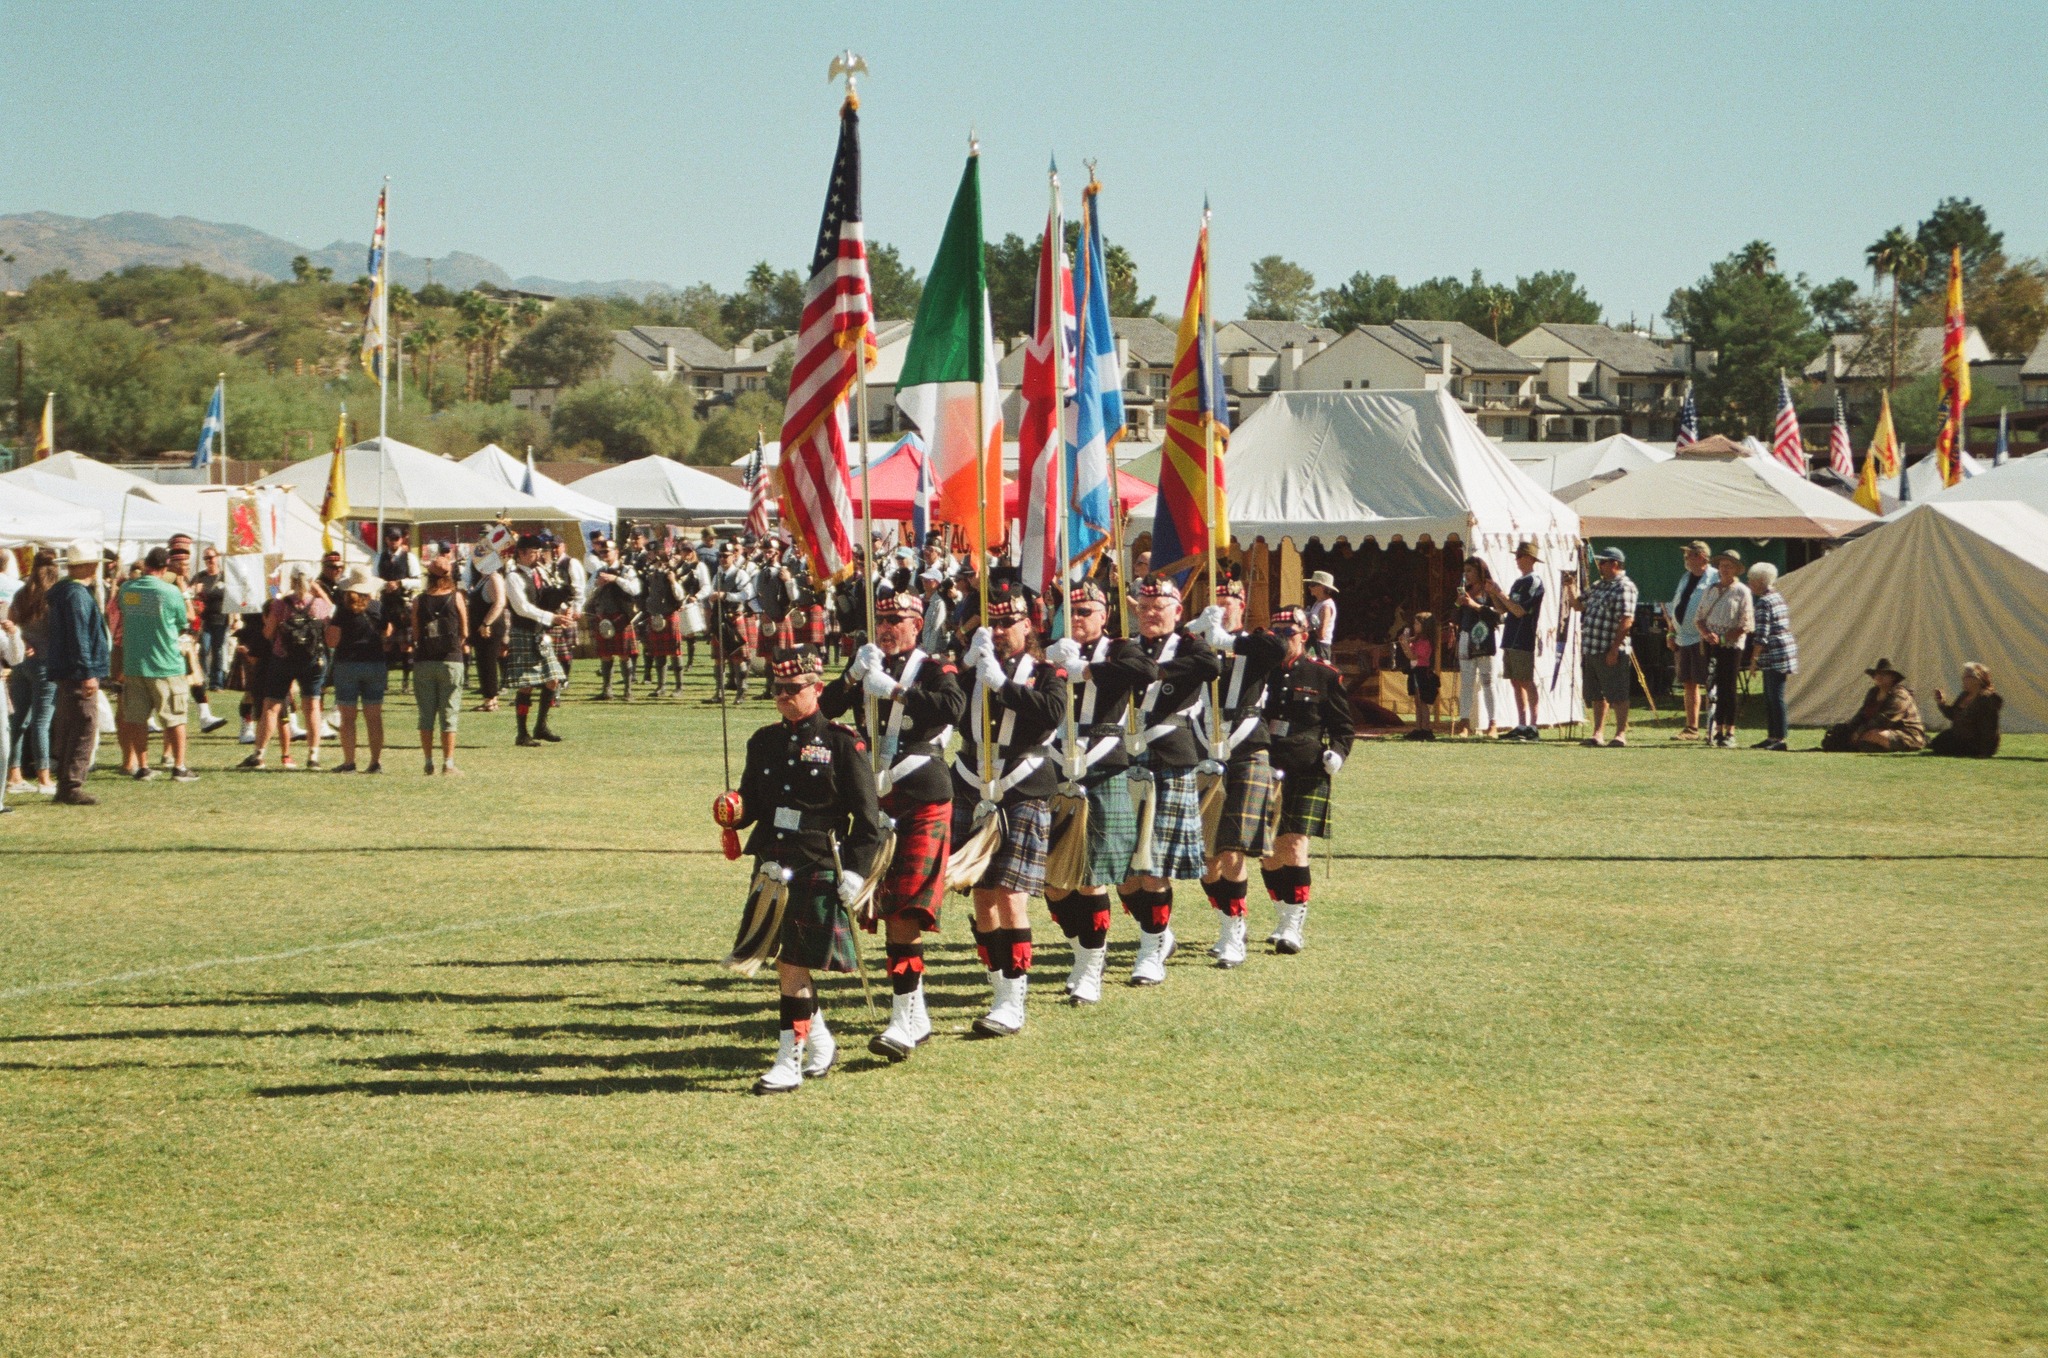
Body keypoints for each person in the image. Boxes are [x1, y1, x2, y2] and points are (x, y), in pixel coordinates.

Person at [724, 645, 888, 1095]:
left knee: (792, 964)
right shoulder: (763, 742)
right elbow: (751, 803)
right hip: (773, 863)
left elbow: (868, 822)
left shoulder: (842, 742)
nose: (783, 696)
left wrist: (855, 874)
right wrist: (734, 811)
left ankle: (788, 1061)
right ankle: (819, 1043)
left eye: (793, 689)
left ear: (817, 688)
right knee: (787, 964)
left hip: (819, 860)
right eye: (777, 689)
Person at [820, 589, 966, 1058]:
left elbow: (951, 709)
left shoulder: (935, 667)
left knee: (904, 911)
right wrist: (852, 675)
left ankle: (902, 1021)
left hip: (922, 795)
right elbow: (826, 710)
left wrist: (897, 690)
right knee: (882, 910)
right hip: (873, 799)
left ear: (917, 624)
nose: (887, 627)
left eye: (897, 619)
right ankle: (915, 1013)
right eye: (881, 618)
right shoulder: (865, 662)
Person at [950, 572, 1069, 1036]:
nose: (999, 632)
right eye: (992, 624)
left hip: (1022, 786)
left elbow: (1052, 713)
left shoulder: (1046, 672)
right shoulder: (974, 669)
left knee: (1011, 895)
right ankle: (997, 983)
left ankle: (1013, 1000)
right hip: (972, 784)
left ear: (1029, 624)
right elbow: (947, 710)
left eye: (1008, 623)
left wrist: (1003, 686)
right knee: (981, 895)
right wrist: (965, 667)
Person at [1040, 581, 1156, 1001]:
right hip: (1056, 766)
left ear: (1104, 614)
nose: (1078, 620)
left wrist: (1088, 671)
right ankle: (1081, 950)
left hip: (1104, 766)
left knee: (1092, 879)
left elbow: (1147, 672)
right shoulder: (1051, 650)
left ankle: (1091, 968)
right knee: (1054, 882)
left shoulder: (1121, 649)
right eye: (1071, 612)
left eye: (1086, 611)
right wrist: (1047, 666)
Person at [1115, 576, 1222, 987]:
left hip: (1169, 757)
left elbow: (1211, 667)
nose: (1150, 613)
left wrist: (1153, 669)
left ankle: (1150, 951)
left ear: (1178, 611)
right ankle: (1159, 935)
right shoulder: (1125, 647)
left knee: (1153, 864)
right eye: (1143, 607)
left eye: (1159, 606)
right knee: (1122, 870)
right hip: (1125, 758)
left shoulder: (1192, 647)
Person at [1190, 576, 1287, 969]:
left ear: (1243, 604)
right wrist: (1195, 631)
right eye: (1217, 598)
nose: (1224, 604)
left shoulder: (1256, 642)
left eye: (1231, 598)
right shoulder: (1195, 643)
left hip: (1247, 747)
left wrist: (1228, 641)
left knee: (1232, 848)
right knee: (1205, 856)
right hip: (1202, 747)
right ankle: (1227, 916)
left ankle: (1232, 933)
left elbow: (1278, 649)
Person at [1259, 606, 1354, 954]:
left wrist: (1339, 754)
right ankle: (1282, 913)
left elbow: (1343, 726)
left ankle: (1293, 925)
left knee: (1294, 845)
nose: (1282, 639)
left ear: (1306, 635)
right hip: (1263, 764)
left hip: (1307, 766)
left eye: (1289, 633)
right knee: (1266, 851)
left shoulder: (1323, 675)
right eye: (1276, 633)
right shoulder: (1261, 671)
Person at [114, 547, 197, 783]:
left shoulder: (128, 589)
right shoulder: (170, 592)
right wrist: (185, 593)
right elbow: (186, 619)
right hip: (165, 664)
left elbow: (123, 607)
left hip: (135, 664)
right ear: (166, 567)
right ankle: (179, 767)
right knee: (174, 717)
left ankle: (143, 766)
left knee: (137, 718)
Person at [44, 539, 109, 805]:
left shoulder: (62, 592)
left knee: (70, 725)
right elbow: (79, 636)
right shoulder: (76, 595)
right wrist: (87, 672)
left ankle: (66, 784)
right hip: (76, 671)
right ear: (90, 565)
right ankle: (72, 784)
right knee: (84, 725)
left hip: (65, 670)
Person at [248, 566, 332, 770]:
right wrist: (318, 590)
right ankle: (313, 756)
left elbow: (268, 633)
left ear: (291, 580)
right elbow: (331, 619)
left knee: (271, 706)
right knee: (312, 706)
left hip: (283, 658)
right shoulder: (319, 604)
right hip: (313, 659)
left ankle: (259, 754)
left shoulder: (280, 604)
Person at [503, 533, 570, 747]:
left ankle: (540, 726)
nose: (537, 556)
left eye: (539, 552)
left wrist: (562, 608)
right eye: (533, 552)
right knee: (526, 685)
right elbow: (522, 608)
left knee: (553, 679)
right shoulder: (513, 577)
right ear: (521, 554)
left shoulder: (539, 573)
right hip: (523, 632)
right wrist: (551, 618)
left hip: (540, 633)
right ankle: (522, 733)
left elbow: (545, 599)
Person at [324, 569, 391, 773]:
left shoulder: (342, 610)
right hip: (375, 663)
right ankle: (375, 762)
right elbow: (387, 632)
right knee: (374, 716)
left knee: (348, 718)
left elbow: (332, 640)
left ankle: (349, 762)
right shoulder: (377, 607)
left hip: (347, 665)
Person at [6, 549, 61, 797]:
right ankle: (44, 777)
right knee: (41, 721)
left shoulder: (21, 593)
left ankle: (13, 774)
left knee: (17, 720)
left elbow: (10, 622)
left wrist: (25, 639)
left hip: (21, 661)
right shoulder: (55, 596)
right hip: (46, 662)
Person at [412, 549, 469, 774]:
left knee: (426, 714)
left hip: (424, 661)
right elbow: (464, 630)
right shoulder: (456, 597)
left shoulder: (419, 600)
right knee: (449, 712)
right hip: (451, 660)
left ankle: (428, 762)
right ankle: (448, 763)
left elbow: (416, 635)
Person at [1575, 546, 1638, 747]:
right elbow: (1577, 605)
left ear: (1615, 564)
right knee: (1596, 695)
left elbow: (1627, 620)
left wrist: (1613, 649)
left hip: (1611, 649)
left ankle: (1620, 734)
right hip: (1592, 647)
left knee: (1617, 694)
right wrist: (1569, 586)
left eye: (1603, 562)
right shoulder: (1599, 585)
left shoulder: (1624, 587)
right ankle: (1598, 733)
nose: (1599, 566)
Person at [1694, 548, 1754, 749]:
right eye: (1722, 566)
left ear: (1736, 569)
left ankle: (1729, 730)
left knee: (1728, 687)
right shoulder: (1710, 589)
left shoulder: (1742, 591)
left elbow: (1745, 624)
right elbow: (1699, 617)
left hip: (1731, 645)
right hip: (1711, 644)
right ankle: (1715, 729)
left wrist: (1721, 638)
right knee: (1712, 686)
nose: (1724, 569)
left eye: (1729, 566)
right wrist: (1707, 634)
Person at [1821, 659, 1927, 752]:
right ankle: (1863, 744)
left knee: (1874, 735)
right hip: (1875, 730)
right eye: (1876, 674)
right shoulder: (1873, 692)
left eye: (1884, 674)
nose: (1879, 676)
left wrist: (1859, 732)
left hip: (1907, 735)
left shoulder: (1900, 695)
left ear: (1893, 678)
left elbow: (1884, 719)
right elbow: (1862, 714)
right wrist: (1850, 729)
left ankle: (1863, 744)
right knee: (1850, 733)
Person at [1664, 541, 1713, 740]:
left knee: (1710, 683)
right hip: (1683, 637)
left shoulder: (1715, 577)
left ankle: (1714, 725)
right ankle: (1691, 728)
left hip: (1704, 638)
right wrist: (1671, 633)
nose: (1685, 560)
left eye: (1689, 556)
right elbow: (1677, 605)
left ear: (1701, 556)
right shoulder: (1686, 577)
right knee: (1688, 682)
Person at [1496, 542, 1546, 741]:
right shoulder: (1518, 582)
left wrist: (1500, 594)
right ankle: (1521, 724)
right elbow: (1504, 609)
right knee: (1515, 681)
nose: (1516, 560)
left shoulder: (1534, 582)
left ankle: (1533, 726)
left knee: (1526, 680)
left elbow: (1519, 610)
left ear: (1529, 558)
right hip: (1510, 636)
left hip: (1523, 637)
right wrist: (1494, 593)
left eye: (1519, 556)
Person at [1747, 562, 1797, 751]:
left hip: (1775, 653)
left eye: (1751, 580)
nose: (1749, 583)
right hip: (1784, 650)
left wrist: (1753, 660)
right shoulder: (1777, 597)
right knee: (1772, 696)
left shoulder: (1763, 602)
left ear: (1760, 581)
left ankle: (1780, 739)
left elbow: (1761, 635)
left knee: (1775, 696)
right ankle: (1772, 736)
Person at [1452, 557, 1503, 739]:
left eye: (1470, 571)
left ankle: (1493, 724)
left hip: (1485, 638)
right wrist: (1458, 603)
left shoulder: (1489, 589)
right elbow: (1455, 617)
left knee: (1488, 682)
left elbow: (1498, 616)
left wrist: (1474, 605)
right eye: (1465, 571)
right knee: (1466, 683)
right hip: (1466, 637)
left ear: (1479, 572)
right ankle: (1464, 723)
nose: (1466, 575)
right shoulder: (1465, 591)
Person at [585, 541, 642, 702]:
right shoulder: (598, 572)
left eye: (606, 551)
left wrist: (616, 579)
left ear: (616, 551)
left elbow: (635, 589)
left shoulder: (627, 570)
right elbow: (587, 593)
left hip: (621, 617)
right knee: (605, 655)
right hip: (604, 617)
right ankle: (607, 690)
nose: (604, 555)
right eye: (601, 552)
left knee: (625, 655)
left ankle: (628, 691)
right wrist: (597, 584)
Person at [466, 531, 508, 712]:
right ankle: (488, 698)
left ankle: (491, 700)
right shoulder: (483, 578)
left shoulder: (494, 577)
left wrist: (486, 623)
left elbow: (500, 602)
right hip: (481, 627)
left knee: (488, 662)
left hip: (489, 627)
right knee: (483, 662)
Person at [1930, 663, 2002, 758]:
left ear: (1978, 680)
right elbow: (1953, 715)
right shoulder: (1964, 695)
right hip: (1960, 736)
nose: (1963, 679)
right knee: (1938, 742)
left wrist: (1986, 752)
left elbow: (1989, 728)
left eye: (1966, 677)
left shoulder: (1986, 699)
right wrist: (1941, 703)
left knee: (1942, 746)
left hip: (1975, 742)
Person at [193, 546, 231, 692]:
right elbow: (189, 593)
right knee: (204, 648)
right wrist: (195, 590)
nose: (209, 561)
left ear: (217, 557)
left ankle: (217, 682)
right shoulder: (200, 577)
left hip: (221, 619)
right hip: (205, 620)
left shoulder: (225, 577)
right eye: (206, 558)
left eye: (211, 557)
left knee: (218, 650)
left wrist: (235, 617)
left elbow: (233, 597)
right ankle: (202, 679)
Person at [1306, 571, 1340, 662]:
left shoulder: (1326, 606)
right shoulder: (1318, 603)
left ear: (1322, 587)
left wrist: (1309, 626)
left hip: (1319, 647)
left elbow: (1321, 634)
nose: (1309, 587)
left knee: (1318, 673)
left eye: (1313, 584)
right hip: (1313, 645)